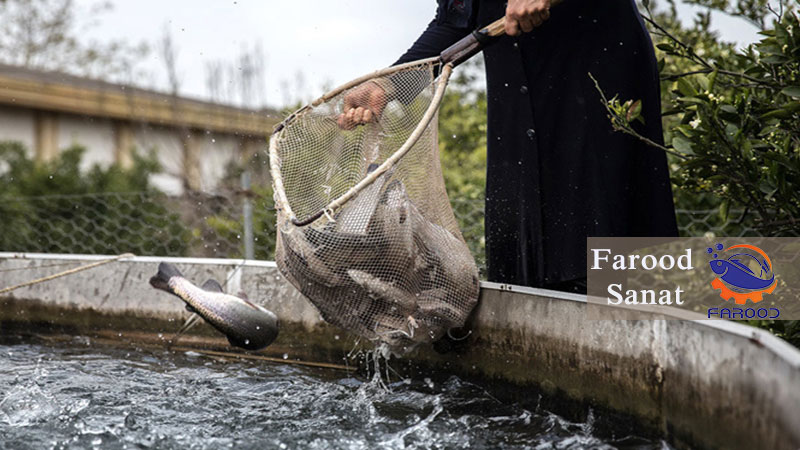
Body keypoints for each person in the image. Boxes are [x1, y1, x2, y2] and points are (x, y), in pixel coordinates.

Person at [339, 0, 678, 294]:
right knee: (522, 250)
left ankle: (689, 338)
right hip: (516, 92)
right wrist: (389, 82)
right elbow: (457, 17)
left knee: (607, 229)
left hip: (594, 68)